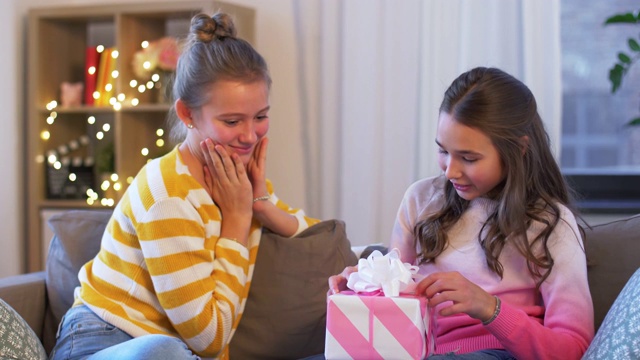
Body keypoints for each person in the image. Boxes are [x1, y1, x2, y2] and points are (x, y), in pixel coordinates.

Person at [50, 12, 319, 360]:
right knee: (166, 351)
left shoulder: (241, 183)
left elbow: (315, 233)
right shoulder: (166, 193)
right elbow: (209, 340)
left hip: (173, 351)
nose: (250, 135)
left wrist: (261, 204)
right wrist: (237, 220)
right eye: (232, 120)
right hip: (103, 338)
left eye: (261, 116)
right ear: (187, 114)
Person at [328, 67, 594, 359]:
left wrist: (489, 308)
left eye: (468, 158)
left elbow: (573, 348)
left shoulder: (548, 224)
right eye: (443, 151)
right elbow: (395, 300)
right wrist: (365, 287)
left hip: (497, 352)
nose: (451, 171)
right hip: (419, 351)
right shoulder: (421, 199)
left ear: (518, 150)